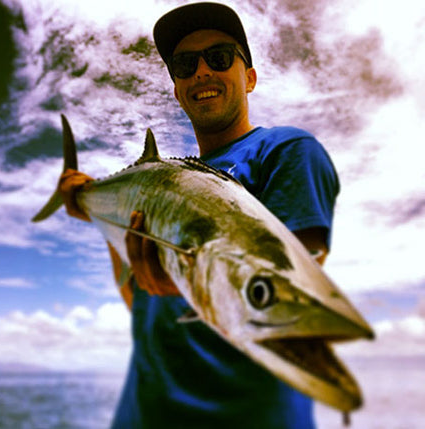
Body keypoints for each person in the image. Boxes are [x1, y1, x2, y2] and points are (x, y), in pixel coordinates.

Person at [59, 3, 340, 428]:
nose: (202, 72)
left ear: (250, 77)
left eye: (220, 57)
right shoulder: (157, 181)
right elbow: (140, 301)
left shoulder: (285, 152)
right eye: (185, 65)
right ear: (177, 90)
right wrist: (99, 216)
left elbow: (286, 287)